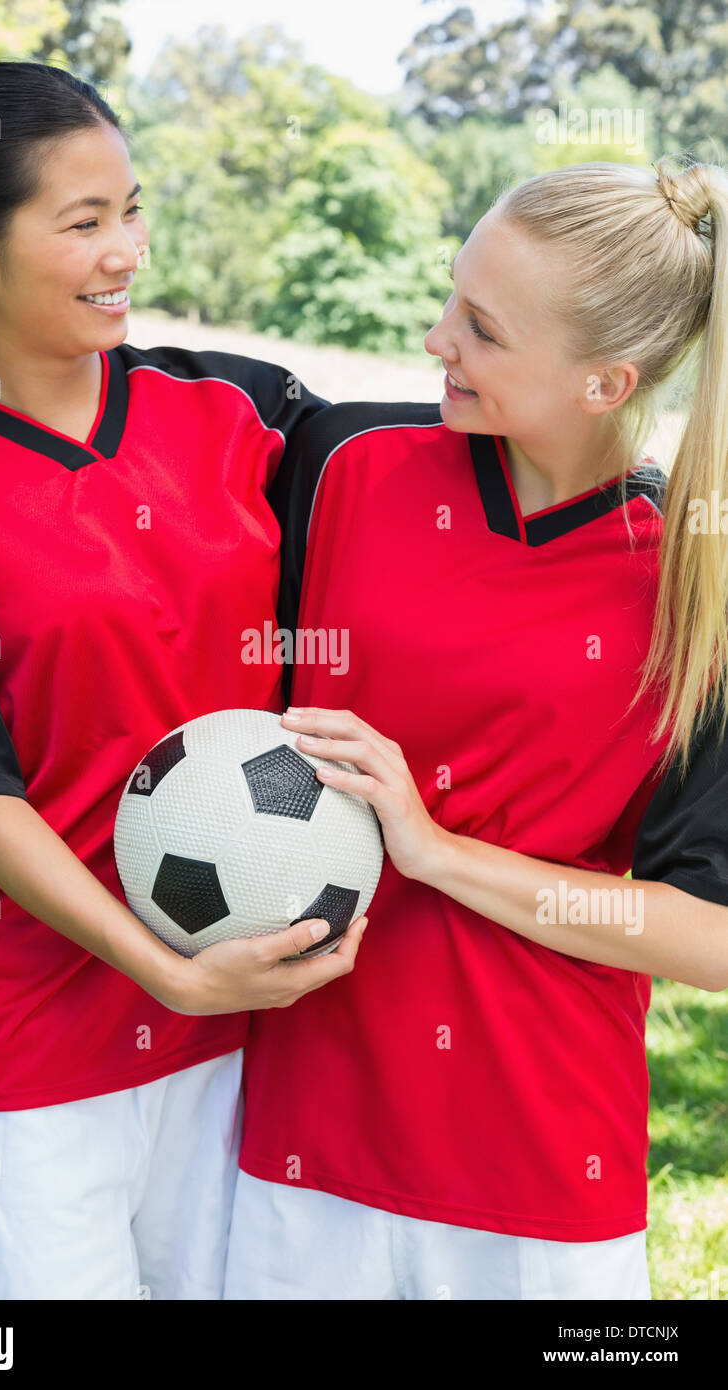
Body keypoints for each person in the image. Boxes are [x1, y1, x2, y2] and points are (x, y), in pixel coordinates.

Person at [0, 59, 367, 1301]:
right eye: (82, 223)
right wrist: (166, 970)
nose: (122, 250)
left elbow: (429, 477)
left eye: (131, 210)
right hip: (36, 1037)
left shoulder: (234, 408)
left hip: (247, 1017)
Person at [222, 157, 728, 1300]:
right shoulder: (344, 463)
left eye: (483, 329)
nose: (436, 336)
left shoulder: (696, 587)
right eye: (453, 295)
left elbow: (710, 936)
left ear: (604, 382)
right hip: (305, 1145)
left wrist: (438, 852)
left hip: (542, 1175)